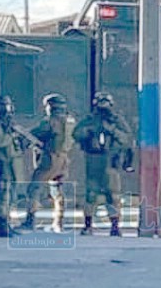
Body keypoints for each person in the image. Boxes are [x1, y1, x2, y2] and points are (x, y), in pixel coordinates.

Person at [74, 93, 133, 237]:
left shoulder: (117, 120)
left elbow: (127, 139)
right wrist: (88, 132)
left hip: (110, 162)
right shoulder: (89, 120)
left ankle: (114, 226)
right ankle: (88, 225)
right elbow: (76, 134)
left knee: (113, 196)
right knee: (91, 196)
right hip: (94, 161)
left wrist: (112, 130)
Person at [20, 93, 76, 233]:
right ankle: (58, 223)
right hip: (64, 159)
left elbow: (36, 134)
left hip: (50, 158)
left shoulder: (50, 121)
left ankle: (30, 220)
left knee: (35, 188)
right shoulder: (70, 120)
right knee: (58, 191)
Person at [0, 95, 27, 237]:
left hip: (12, 164)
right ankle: (2, 227)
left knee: (11, 196)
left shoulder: (5, 122)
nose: (7, 110)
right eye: (4, 106)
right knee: (3, 196)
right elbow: (0, 141)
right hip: (3, 164)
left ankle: (8, 223)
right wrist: (12, 134)